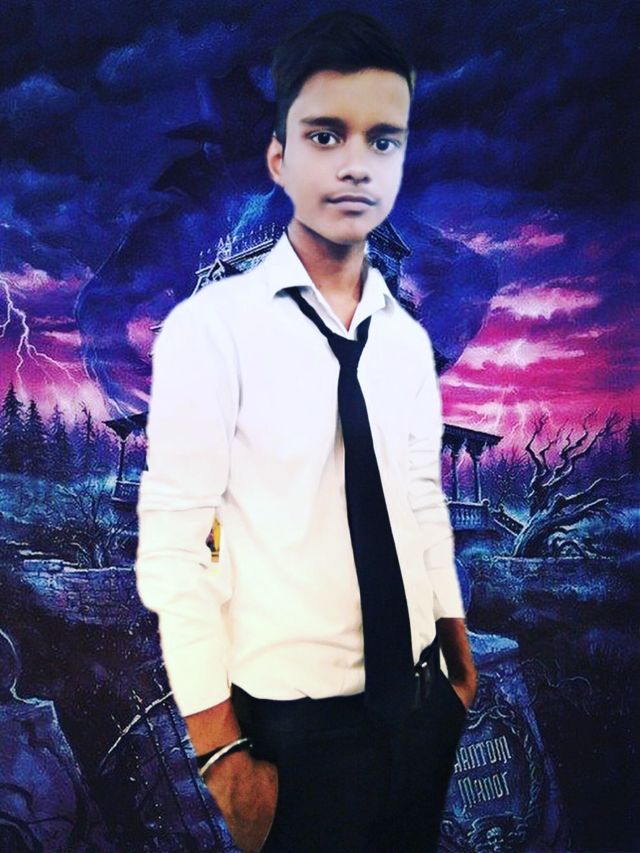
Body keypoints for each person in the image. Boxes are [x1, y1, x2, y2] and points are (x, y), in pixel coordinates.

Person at [135, 11, 477, 853]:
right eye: (326, 135)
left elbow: (419, 497)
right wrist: (224, 757)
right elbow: (174, 545)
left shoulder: (403, 341)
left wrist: (457, 659)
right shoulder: (211, 330)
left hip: (423, 712)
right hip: (297, 739)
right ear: (279, 158)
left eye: (382, 139)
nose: (356, 164)